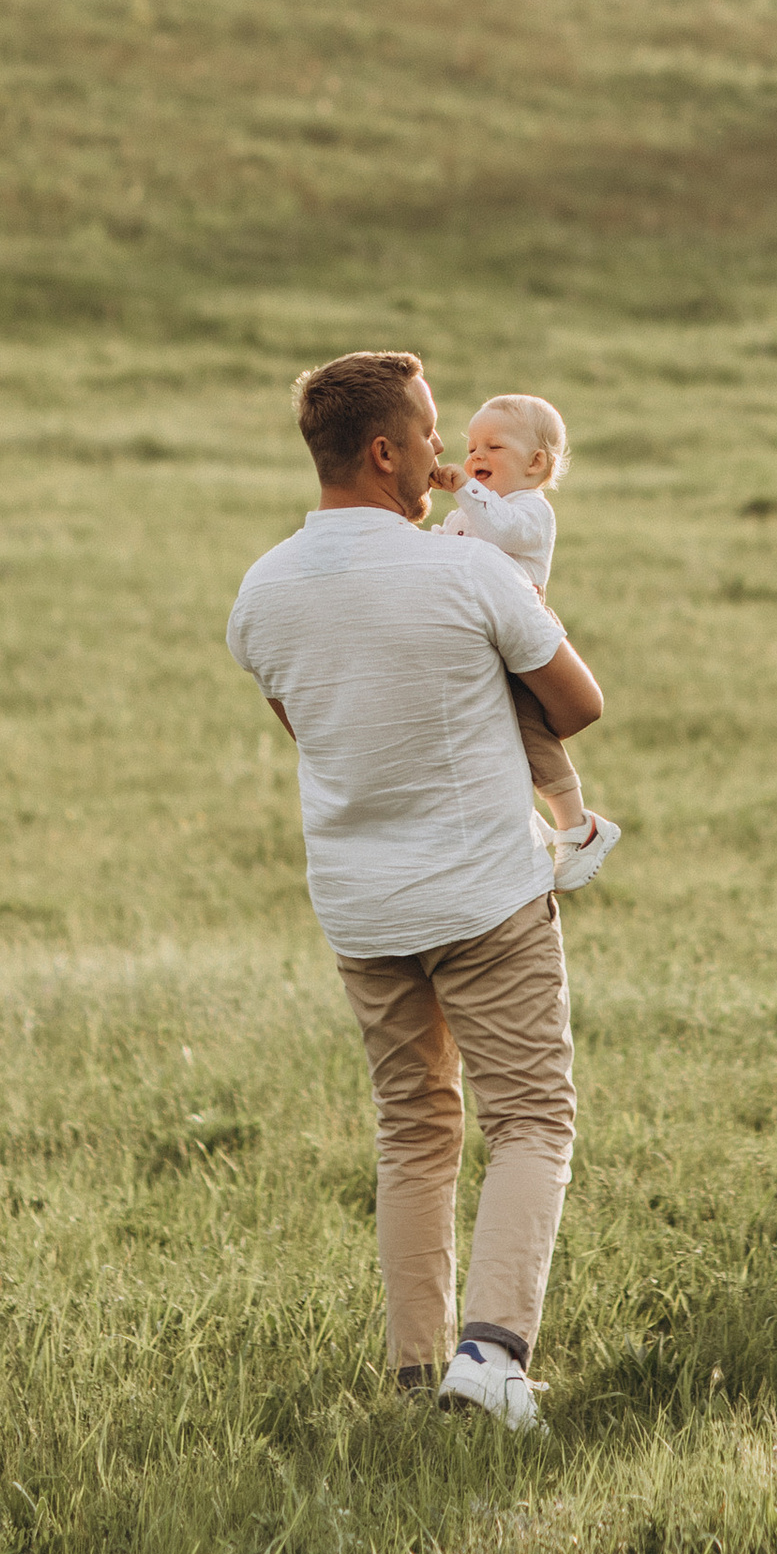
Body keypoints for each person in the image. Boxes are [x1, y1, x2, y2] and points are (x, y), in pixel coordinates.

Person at [226, 348, 604, 1431]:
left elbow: (310, 731)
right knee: (531, 1118)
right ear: (386, 450)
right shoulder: (465, 569)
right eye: (433, 434)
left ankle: (411, 1369)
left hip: (360, 905)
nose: (446, 455)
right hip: (482, 893)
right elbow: (573, 705)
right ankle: (491, 1359)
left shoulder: (260, 592)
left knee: (412, 1128)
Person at [438, 392, 620, 889]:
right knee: (489, 728)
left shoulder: (531, 510)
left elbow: (498, 533)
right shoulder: (469, 513)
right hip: (482, 640)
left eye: (492, 446)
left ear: (536, 462)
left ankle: (578, 827)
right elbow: (444, 550)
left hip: (519, 639)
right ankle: (525, 814)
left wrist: (463, 491)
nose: (475, 457)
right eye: (470, 446)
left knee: (530, 733)